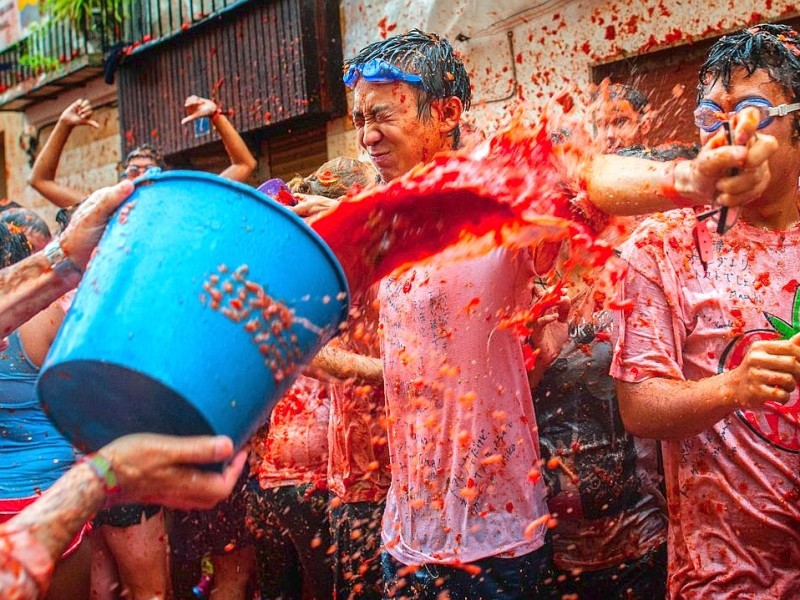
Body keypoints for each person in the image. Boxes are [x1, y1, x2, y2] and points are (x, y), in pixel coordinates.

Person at [610, 23, 800, 599]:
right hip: (719, 578)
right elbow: (639, 407)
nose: (729, 135)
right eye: (711, 117)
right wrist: (733, 389)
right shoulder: (660, 246)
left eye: (752, 112)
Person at [0, 178, 247, 599]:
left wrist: (61, 259)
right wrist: (107, 473)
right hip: (70, 491)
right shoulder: (71, 317)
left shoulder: (72, 309)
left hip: (59, 499)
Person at [28, 95, 256, 209]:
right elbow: (40, 180)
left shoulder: (183, 203)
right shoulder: (106, 210)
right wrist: (64, 124)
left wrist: (215, 115)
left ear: (164, 177)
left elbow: (244, 165)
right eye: (133, 170)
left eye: (150, 170)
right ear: (122, 178)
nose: (141, 175)